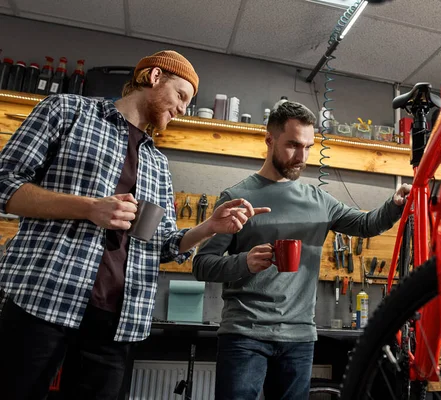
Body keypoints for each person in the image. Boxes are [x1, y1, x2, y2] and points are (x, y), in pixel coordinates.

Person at [0, 50, 270, 400]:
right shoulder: (67, 111)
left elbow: (164, 245)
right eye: (181, 96)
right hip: (44, 298)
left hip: (118, 319)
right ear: (154, 77)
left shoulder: (157, 163)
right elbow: (6, 183)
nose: (184, 109)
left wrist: (209, 227)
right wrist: (90, 209)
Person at [193, 101, 411, 399]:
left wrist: (394, 204)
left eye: (308, 147)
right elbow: (202, 264)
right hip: (244, 334)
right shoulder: (237, 197)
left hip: (299, 338)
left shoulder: (318, 200)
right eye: (293, 145)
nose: (302, 156)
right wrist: (245, 262)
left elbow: (365, 225)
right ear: (269, 140)